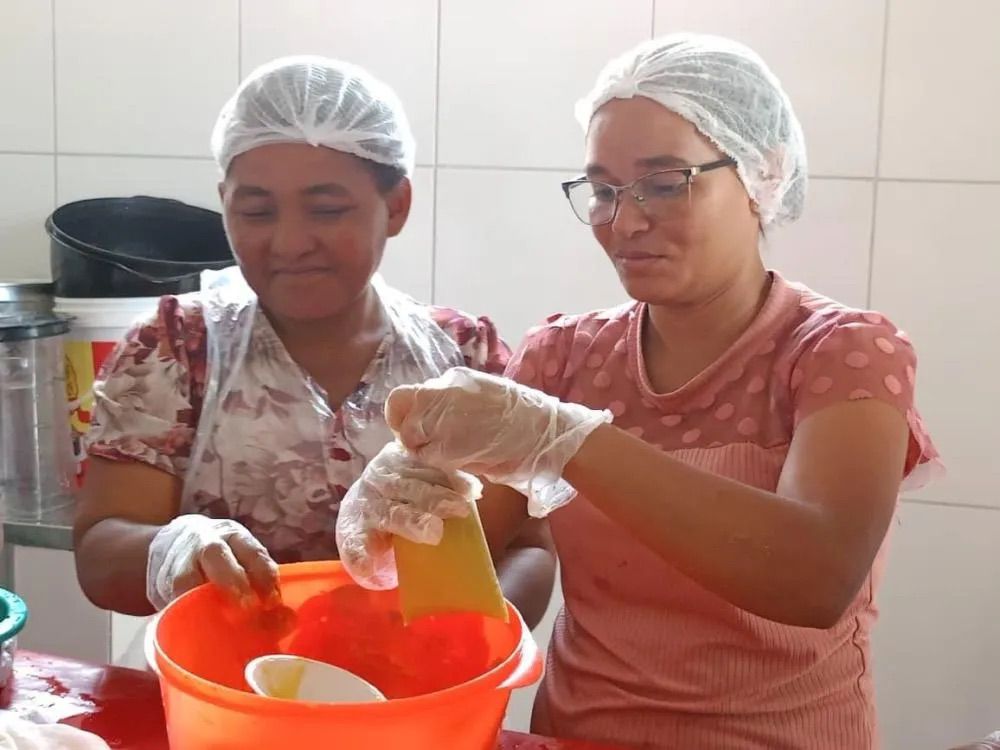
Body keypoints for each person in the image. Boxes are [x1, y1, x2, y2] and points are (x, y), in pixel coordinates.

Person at [337, 33, 942, 749]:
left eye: (664, 183)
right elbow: (461, 552)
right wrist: (396, 510)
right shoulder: (564, 357)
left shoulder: (842, 353)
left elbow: (816, 580)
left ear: (761, 174)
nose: (624, 222)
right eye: (603, 191)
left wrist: (570, 441)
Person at [72, 56, 556, 640]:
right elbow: (101, 549)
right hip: (229, 684)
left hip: (420, 686)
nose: (289, 242)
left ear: (396, 205)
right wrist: (173, 549)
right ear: (224, 203)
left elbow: (527, 547)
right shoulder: (175, 347)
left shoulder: (463, 356)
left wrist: (462, 633)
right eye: (256, 211)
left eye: (327, 210)